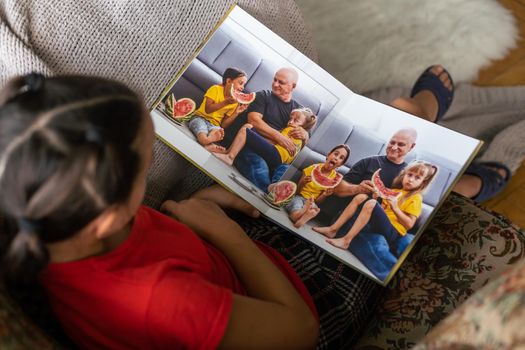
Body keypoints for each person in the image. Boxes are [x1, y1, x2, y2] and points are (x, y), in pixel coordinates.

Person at [0, 74, 321, 349]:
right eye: (146, 162)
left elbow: (148, 256)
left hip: (214, 249)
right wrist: (225, 232)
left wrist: (204, 205)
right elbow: (301, 330)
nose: (152, 164)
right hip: (284, 303)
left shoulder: (50, 213)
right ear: (110, 216)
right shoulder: (156, 302)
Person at [314, 160, 438, 250]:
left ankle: (346, 241)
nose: (411, 179)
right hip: (382, 225)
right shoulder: (395, 191)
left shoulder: (416, 198)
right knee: (362, 197)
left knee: (371, 203)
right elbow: (382, 210)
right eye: (409, 175)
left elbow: (409, 224)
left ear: (423, 182)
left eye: (417, 178)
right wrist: (375, 197)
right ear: (404, 175)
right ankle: (332, 229)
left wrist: (395, 207)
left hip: (394, 232)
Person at [222, 67, 310, 190]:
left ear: (293, 86)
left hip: (277, 155)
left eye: (281, 82)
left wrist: (305, 135)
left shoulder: (298, 110)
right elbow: (254, 121)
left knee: (286, 172)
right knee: (259, 166)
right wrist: (279, 137)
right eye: (275, 79)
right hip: (249, 147)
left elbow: (304, 140)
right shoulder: (263, 96)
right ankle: (265, 202)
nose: (275, 84)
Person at [214, 106, 317, 169]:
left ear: (304, 127)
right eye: (291, 118)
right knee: (250, 130)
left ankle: (229, 156)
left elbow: (274, 141)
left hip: (275, 154)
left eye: (296, 120)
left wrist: (254, 137)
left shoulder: (292, 130)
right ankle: (227, 153)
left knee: (247, 128)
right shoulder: (300, 137)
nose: (290, 122)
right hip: (279, 160)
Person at [283, 144, 350, 228]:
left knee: (314, 208)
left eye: (341, 158)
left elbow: (318, 202)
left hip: (313, 202)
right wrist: (303, 182)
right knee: (296, 205)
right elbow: (297, 191)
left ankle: (302, 215)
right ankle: (302, 215)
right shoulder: (312, 168)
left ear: (341, 164)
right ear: (328, 154)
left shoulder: (334, 179)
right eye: (336, 154)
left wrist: (324, 195)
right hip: (300, 197)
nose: (336, 158)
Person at [187, 67, 250, 153]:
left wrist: (236, 112)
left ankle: (209, 144)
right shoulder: (215, 89)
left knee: (217, 131)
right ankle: (207, 142)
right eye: (240, 83)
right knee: (202, 134)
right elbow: (208, 109)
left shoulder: (235, 102)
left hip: (215, 125)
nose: (242, 87)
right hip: (199, 117)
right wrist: (225, 102)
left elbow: (223, 125)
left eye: (244, 85)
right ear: (229, 81)